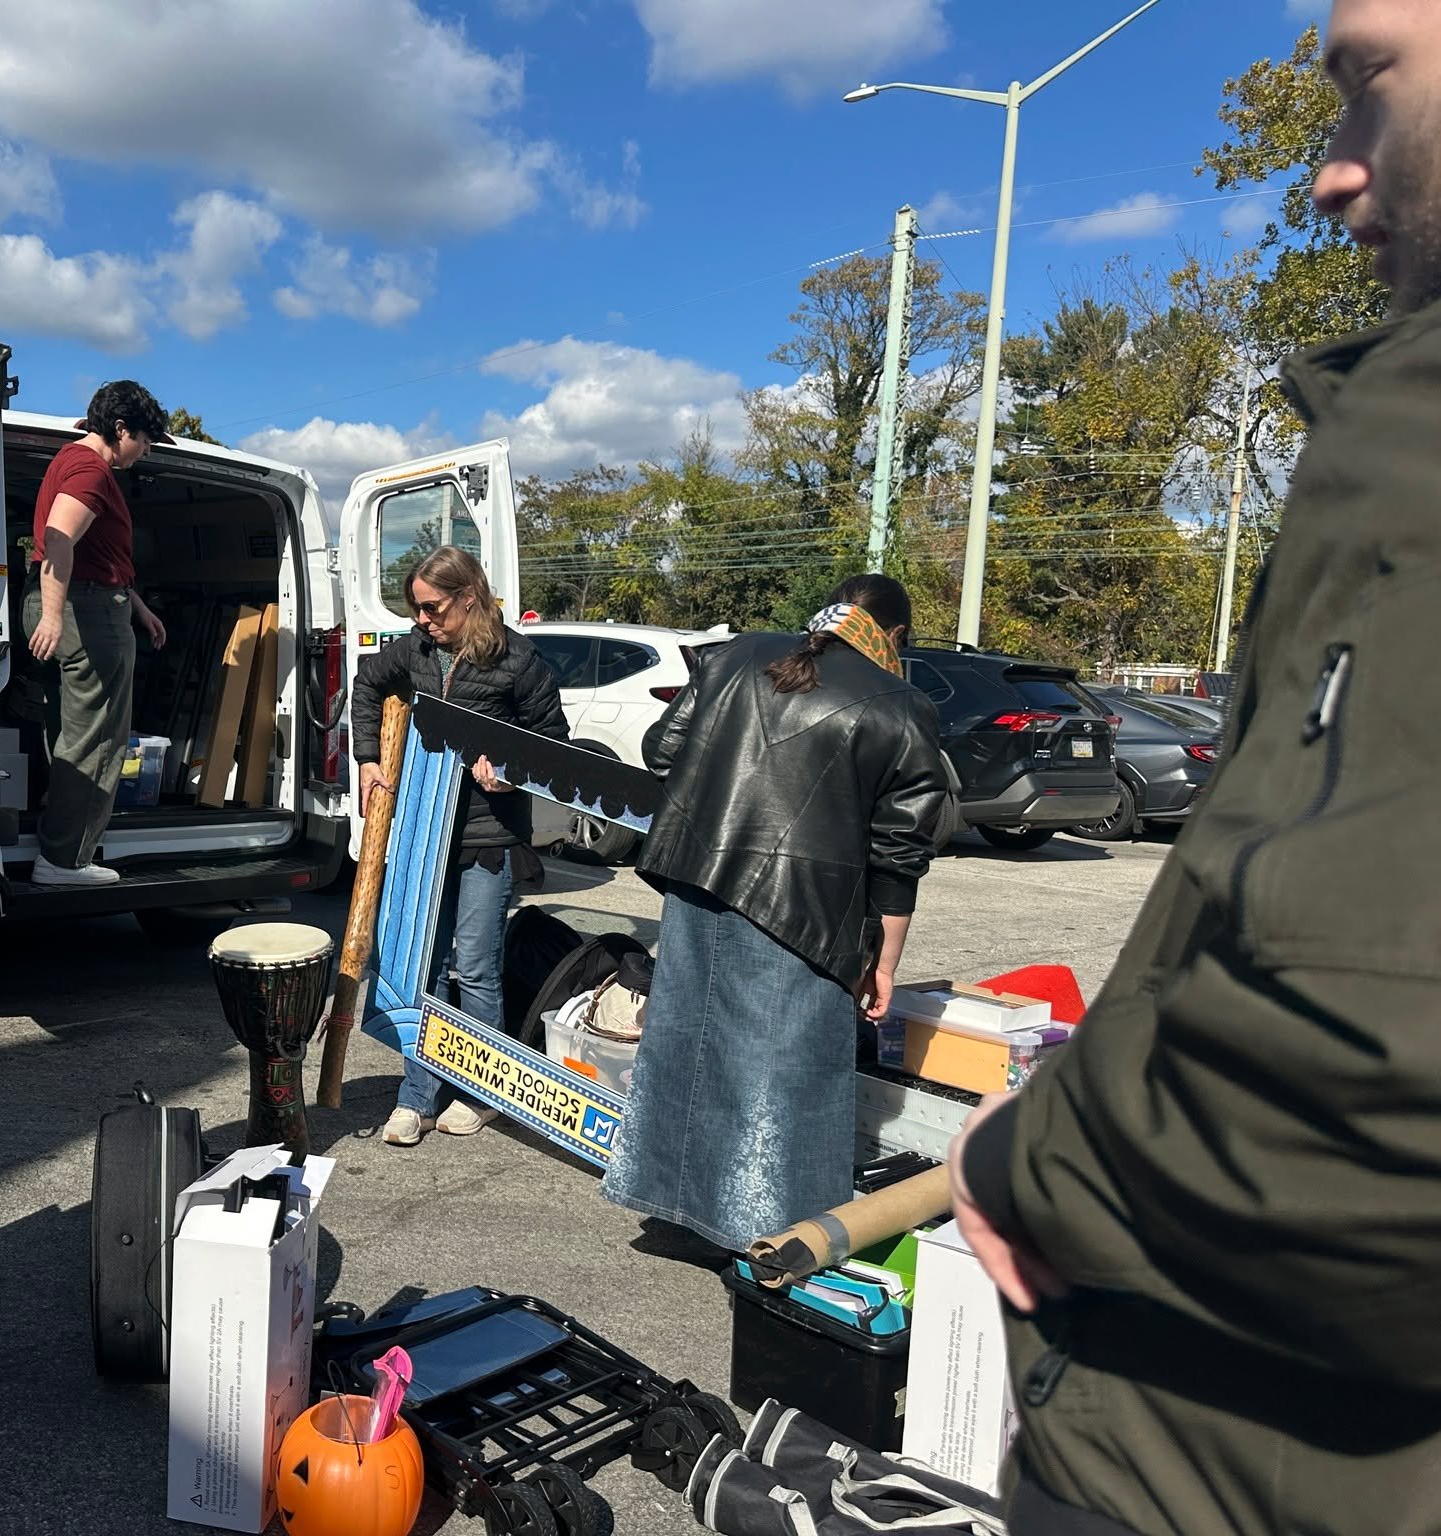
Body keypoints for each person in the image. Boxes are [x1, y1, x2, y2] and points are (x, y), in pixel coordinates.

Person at [947, 3, 1441, 1529]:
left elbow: (1375, 1075)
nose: (1330, 176)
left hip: (1221, 1463)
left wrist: (1034, 1162)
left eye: (1368, 83)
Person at [602, 575, 945, 1258]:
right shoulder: (901, 707)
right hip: (808, 912)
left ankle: (677, 1212)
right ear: (895, 637)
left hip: (699, 884)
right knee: (792, 1078)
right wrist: (885, 963)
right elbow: (900, 853)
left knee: (689, 1048)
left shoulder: (733, 657)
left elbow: (661, 752)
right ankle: (781, 1241)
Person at [350, 546, 568, 1146]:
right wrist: (368, 760)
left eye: (431, 607)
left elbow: (554, 746)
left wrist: (512, 767)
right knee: (422, 963)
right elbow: (366, 685)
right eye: (415, 609)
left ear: (467, 597)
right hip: (424, 830)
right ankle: (415, 1098)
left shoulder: (520, 662)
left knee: (473, 967)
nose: (420, 620)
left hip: (488, 838)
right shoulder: (416, 650)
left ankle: (481, 1094)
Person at [23, 381, 172, 887]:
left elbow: (94, 556)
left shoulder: (69, 459)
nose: (147, 452)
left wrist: (137, 608)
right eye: (147, 440)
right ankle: (64, 859)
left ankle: (57, 841)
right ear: (121, 429)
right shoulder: (91, 470)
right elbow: (59, 539)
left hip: (84, 602)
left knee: (70, 733)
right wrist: (54, 613)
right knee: (99, 737)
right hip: (84, 613)